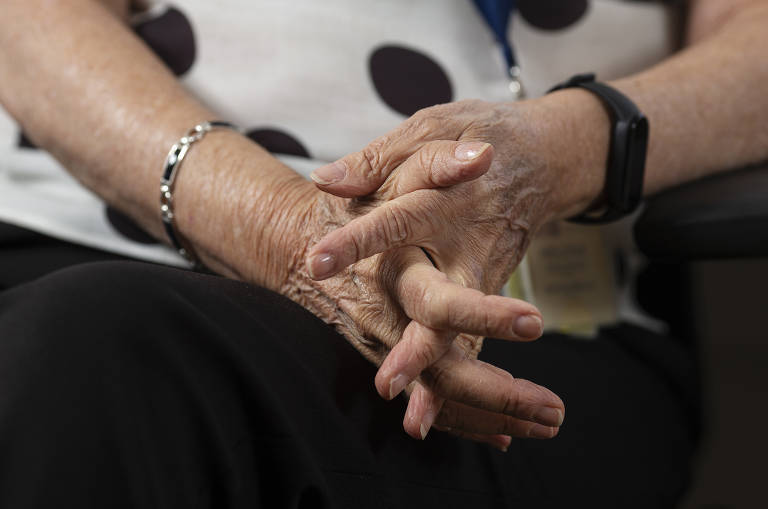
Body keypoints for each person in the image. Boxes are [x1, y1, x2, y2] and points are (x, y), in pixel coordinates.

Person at [0, 0, 764, 507]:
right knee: (84, 347)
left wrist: (565, 149)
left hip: (522, 322)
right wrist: (293, 234)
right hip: (90, 227)